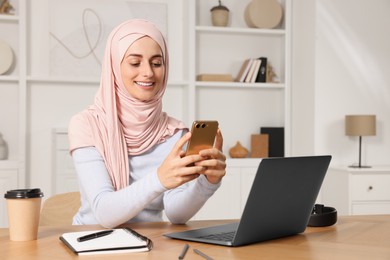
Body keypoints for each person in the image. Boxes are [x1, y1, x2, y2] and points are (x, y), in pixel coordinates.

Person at [68, 19, 227, 228]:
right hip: (93, 241)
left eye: (156, 63)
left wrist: (207, 183)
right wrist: (159, 179)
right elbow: (103, 212)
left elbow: (176, 214)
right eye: (135, 63)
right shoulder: (87, 124)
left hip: (150, 242)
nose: (148, 73)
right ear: (115, 67)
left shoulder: (174, 132)